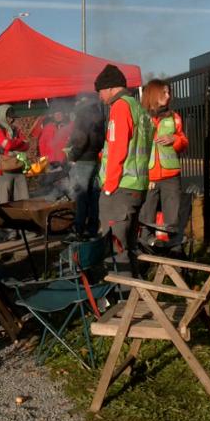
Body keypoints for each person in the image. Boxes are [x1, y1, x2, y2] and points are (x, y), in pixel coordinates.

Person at [95, 65, 153, 274]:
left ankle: (123, 299)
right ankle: (135, 292)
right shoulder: (138, 108)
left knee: (115, 248)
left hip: (119, 188)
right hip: (137, 186)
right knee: (129, 246)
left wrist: (109, 187)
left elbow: (118, 148)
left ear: (110, 88)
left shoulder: (119, 107)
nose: (100, 96)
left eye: (100, 91)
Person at [138, 80, 189, 248]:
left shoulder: (174, 117)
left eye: (169, 93)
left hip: (171, 176)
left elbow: (183, 141)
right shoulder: (141, 118)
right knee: (146, 218)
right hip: (148, 177)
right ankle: (147, 252)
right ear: (153, 95)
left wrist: (175, 139)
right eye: (164, 93)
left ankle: (174, 251)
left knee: (172, 219)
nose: (168, 96)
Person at [66, 94, 105, 239]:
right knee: (94, 197)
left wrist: (72, 156)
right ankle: (92, 229)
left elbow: (80, 139)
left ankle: (79, 230)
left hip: (82, 161)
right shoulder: (99, 116)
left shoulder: (83, 116)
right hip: (95, 160)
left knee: (81, 197)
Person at [0, 104, 30, 203]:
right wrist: (19, 142)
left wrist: (16, 142)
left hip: (17, 168)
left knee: (24, 201)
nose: (11, 120)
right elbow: (7, 145)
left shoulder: (15, 129)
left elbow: (26, 145)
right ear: (2, 116)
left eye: (12, 118)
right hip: (2, 171)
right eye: (9, 117)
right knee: (4, 203)